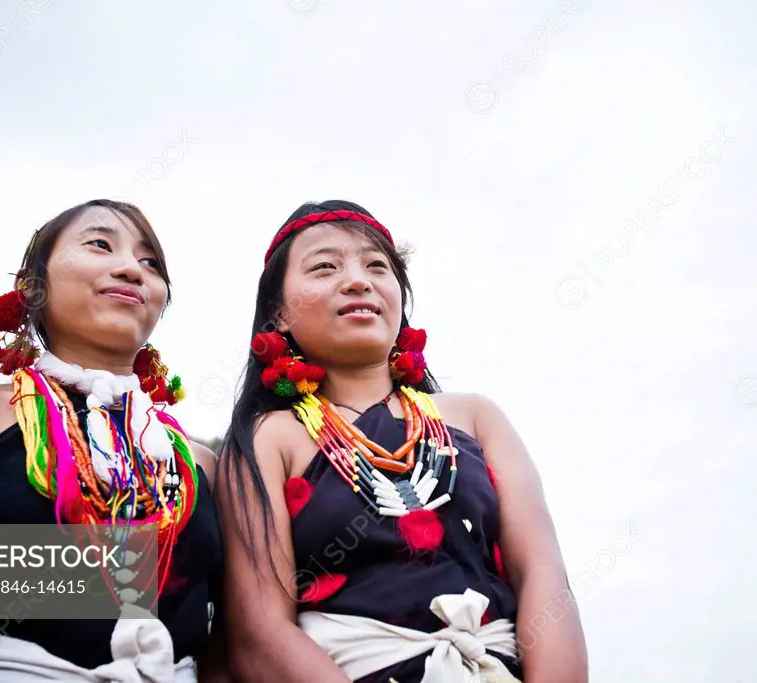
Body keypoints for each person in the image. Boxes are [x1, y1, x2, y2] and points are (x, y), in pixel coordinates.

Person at [218, 200, 589, 682]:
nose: (357, 280)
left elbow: (545, 576)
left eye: (377, 265)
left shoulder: (476, 417)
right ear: (278, 313)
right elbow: (260, 628)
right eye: (325, 267)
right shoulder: (265, 438)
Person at [0, 199, 227, 682]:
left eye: (151, 263)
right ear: (32, 287)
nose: (131, 270)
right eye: (100, 244)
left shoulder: (200, 464)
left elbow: (226, 646)